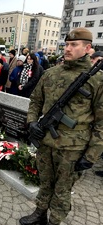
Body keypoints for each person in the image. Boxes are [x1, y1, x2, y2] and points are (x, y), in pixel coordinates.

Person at [19, 27, 103, 225]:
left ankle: (54, 220)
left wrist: (92, 155)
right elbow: (35, 101)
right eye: (66, 44)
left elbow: (101, 122)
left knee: (62, 189)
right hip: (46, 141)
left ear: (87, 48)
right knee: (45, 182)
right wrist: (32, 122)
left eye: (74, 45)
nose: (68, 48)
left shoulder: (97, 80)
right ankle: (40, 213)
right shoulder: (51, 74)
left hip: (72, 148)